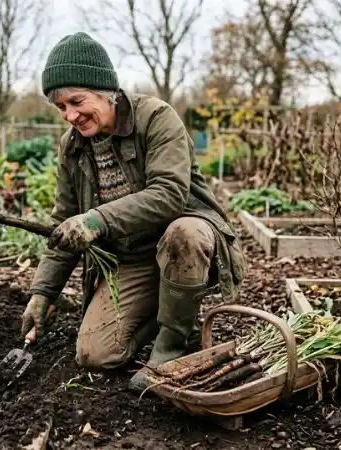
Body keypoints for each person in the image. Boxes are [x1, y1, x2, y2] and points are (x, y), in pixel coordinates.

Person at [20, 32, 247, 391]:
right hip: (129, 260)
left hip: (180, 244)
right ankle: (166, 313)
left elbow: (170, 193)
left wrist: (97, 220)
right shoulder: (73, 147)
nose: (71, 115)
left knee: (184, 232)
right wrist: (43, 292)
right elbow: (61, 221)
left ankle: (173, 346)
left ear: (105, 89)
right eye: (61, 107)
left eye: (77, 101)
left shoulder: (156, 119)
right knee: (95, 355)